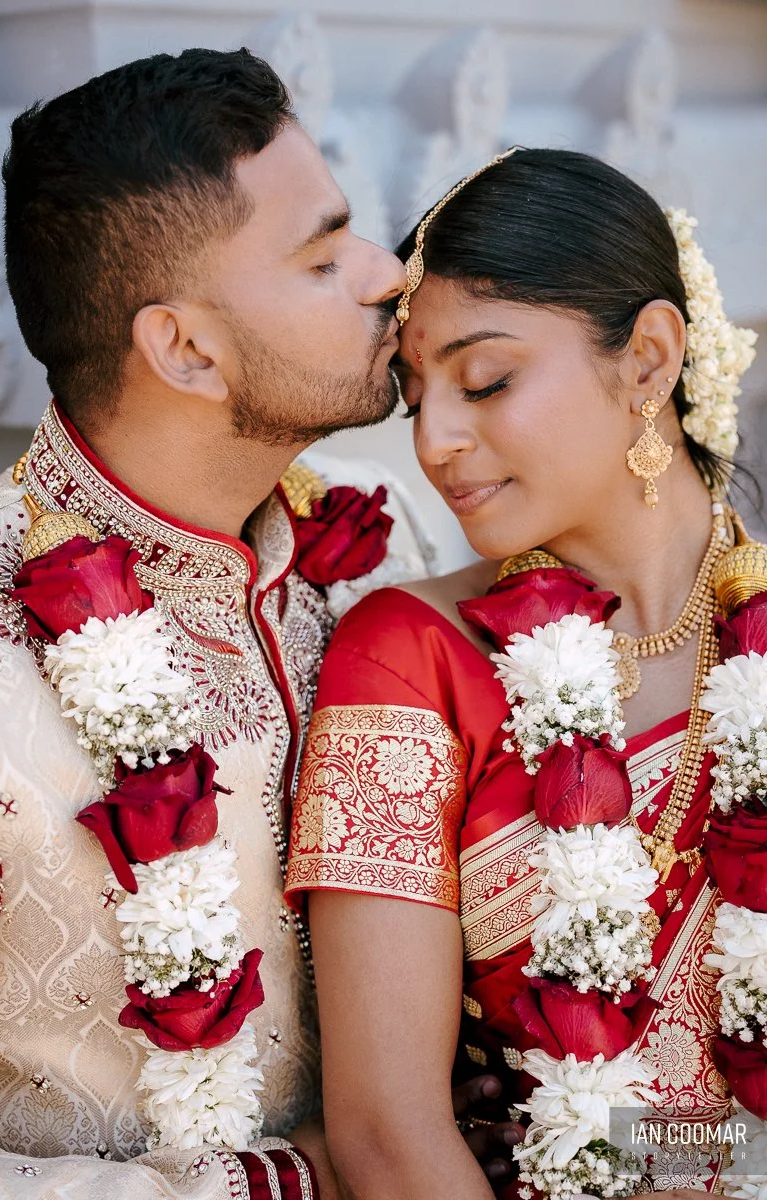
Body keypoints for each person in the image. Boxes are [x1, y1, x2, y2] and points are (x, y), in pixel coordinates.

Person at [0, 48, 517, 1200]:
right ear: (185, 349)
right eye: (323, 258)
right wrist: (261, 1190)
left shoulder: (399, 547)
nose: (388, 273)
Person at [286, 147, 765, 1200]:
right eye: (413, 399)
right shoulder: (406, 658)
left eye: (484, 379)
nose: (436, 442)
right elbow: (386, 1133)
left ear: (646, 361)